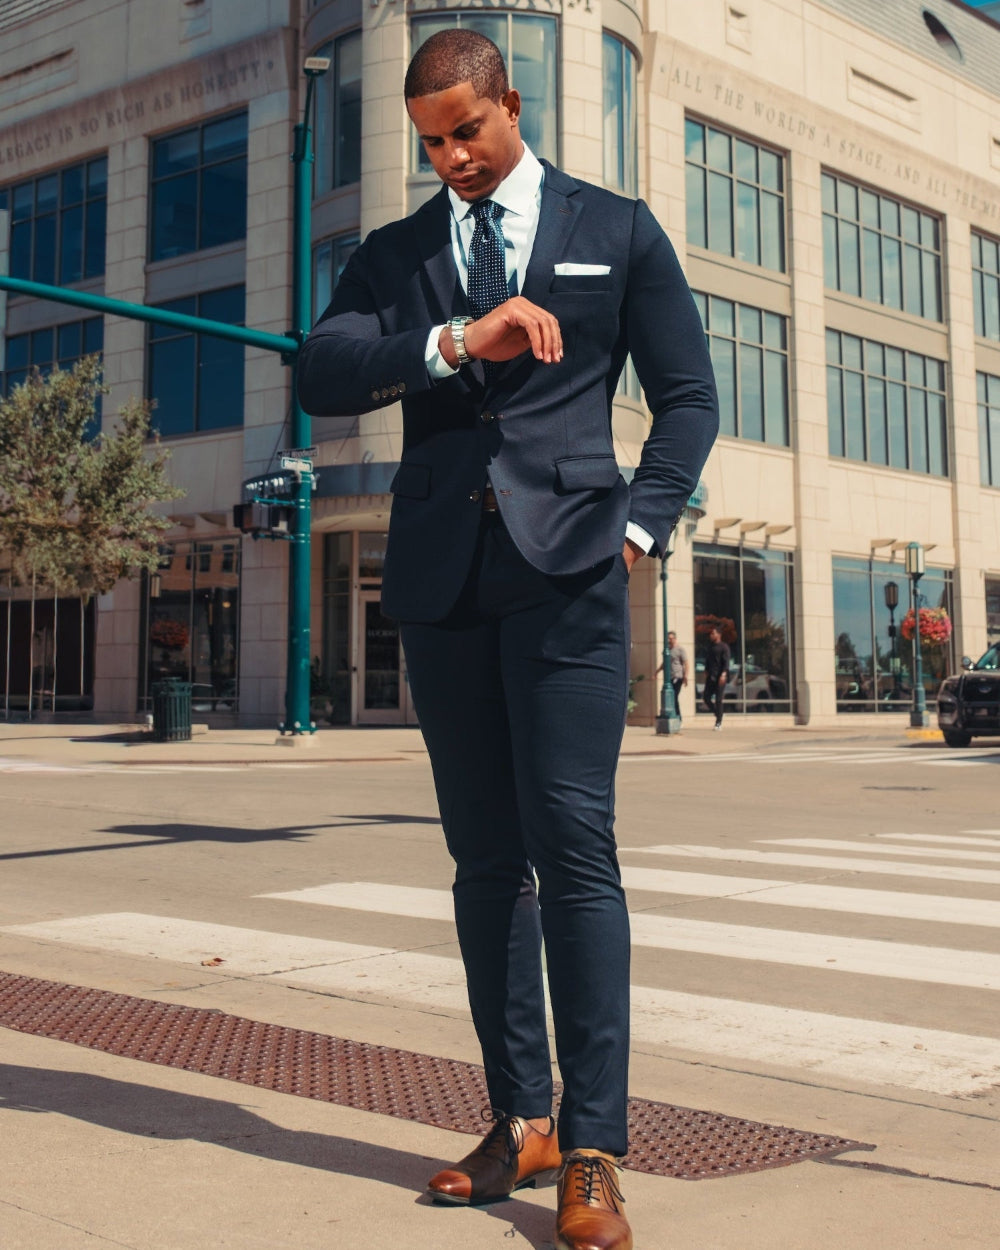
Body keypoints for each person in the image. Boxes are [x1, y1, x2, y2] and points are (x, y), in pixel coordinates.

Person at [298, 29, 718, 1250]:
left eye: (466, 132)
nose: (452, 158)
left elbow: (687, 395)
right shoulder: (397, 253)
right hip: (442, 582)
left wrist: (638, 533)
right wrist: (444, 341)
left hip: (573, 575)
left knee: (573, 846)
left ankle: (592, 1146)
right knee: (487, 865)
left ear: (510, 106)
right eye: (430, 141)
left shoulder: (616, 227)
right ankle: (517, 1117)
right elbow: (322, 369)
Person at [702, 625, 731, 730]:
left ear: (719, 635)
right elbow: (707, 660)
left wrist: (724, 674)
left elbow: (726, 662)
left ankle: (718, 723)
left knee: (718, 700)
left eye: (713, 633)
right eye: (711, 634)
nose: (711, 635)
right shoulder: (710, 647)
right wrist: (706, 670)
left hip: (720, 677)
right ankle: (718, 713)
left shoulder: (724, 647)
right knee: (706, 698)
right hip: (711, 676)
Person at [667, 630, 688, 723]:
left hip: (678, 676)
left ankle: (679, 718)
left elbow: (686, 663)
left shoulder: (680, 649)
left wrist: (686, 676)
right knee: (670, 698)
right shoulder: (668, 650)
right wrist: (657, 672)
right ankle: (674, 717)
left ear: (675, 639)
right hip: (670, 677)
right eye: (668, 638)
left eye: (671, 638)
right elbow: (665, 663)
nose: (669, 640)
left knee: (674, 697)